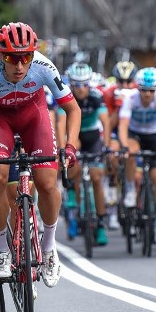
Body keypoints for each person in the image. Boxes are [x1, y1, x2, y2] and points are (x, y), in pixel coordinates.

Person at [0, 22, 81, 287]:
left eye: (25, 58)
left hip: (33, 117)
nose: (19, 66)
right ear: (0, 56)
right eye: (11, 59)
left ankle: (49, 249)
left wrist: (70, 146)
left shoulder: (44, 66)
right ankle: (2, 249)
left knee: (47, 182)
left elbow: (72, 109)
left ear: (32, 56)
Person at [118, 67, 156, 244]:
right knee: (131, 152)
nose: (147, 94)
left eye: (151, 90)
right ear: (138, 88)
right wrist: (124, 145)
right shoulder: (131, 98)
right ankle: (129, 189)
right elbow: (123, 125)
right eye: (144, 90)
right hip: (135, 134)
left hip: (153, 135)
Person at [57, 62, 111, 244]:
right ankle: (72, 190)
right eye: (77, 85)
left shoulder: (97, 96)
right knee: (73, 157)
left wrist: (108, 146)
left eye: (85, 84)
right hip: (75, 135)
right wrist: (63, 148)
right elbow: (60, 124)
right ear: (71, 84)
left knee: (96, 177)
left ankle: (101, 224)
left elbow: (106, 122)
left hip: (92, 136)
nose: (81, 89)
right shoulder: (66, 96)